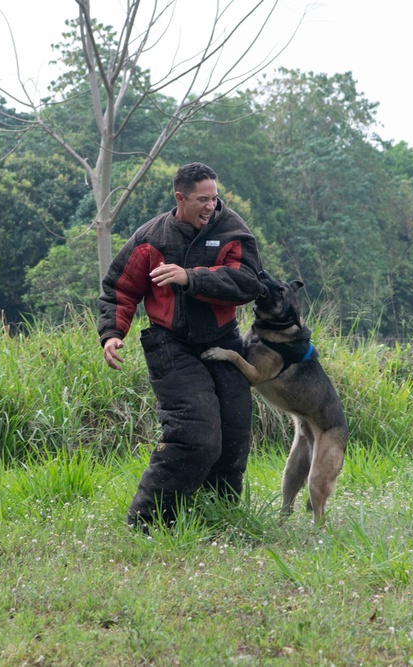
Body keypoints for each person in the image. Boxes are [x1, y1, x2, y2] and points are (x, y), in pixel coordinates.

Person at [98, 162, 263, 529]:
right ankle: (148, 523)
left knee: (235, 435)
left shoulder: (232, 230)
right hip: (169, 345)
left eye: (215, 199)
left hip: (224, 342)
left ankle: (218, 521)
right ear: (180, 198)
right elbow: (120, 289)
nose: (211, 207)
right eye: (202, 200)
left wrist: (192, 278)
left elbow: (250, 283)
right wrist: (112, 333)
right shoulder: (152, 238)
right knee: (196, 435)